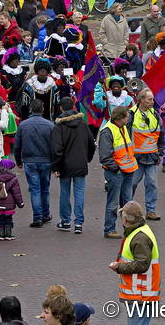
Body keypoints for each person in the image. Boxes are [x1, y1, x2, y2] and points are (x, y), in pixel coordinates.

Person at [108, 201, 159, 325]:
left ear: (126, 219)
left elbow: (142, 264)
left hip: (140, 293)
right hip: (141, 292)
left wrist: (119, 267)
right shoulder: (139, 231)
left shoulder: (139, 237)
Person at [52, 97, 95, 234]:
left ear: (61, 108)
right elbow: (91, 143)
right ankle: (78, 223)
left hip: (65, 164)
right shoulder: (82, 123)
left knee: (65, 193)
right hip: (80, 162)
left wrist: (55, 167)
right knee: (79, 192)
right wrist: (87, 158)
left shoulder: (59, 126)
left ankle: (65, 221)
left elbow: (57, 149)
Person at [14, 99, 54, 228]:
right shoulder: (50, 125)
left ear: (31, 109)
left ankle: (37, 217)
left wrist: (18, 160)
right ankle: (45, 214)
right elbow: (54, 145)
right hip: (46, 160)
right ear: (42, 109)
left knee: (35, 189)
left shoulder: (23, 125)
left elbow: (17, 145)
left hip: (30, 160)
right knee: (45, 189)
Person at [99, 106, 136, 239]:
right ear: (120, 118)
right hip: (116, 172)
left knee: (127, 202)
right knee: (113, 203)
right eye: (126, 117)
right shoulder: (107, 131)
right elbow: (104, 156)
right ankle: (109, 229)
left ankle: (129, 228)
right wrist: (116, 169)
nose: (128, 119)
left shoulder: (122, 127)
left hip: (127, 170)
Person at [127, 89, 163, 219]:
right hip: (136, 157)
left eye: (152, 99)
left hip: (152, 156)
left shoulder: (155, 114)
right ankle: (127, 209)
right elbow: (126, 133)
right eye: (149, 99)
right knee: (132, 184)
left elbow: (161, 133)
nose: (152, 102)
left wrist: (160, 152)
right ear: (141, 100)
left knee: (152, 184)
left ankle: (151, 211)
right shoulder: (131, 114)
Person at [0, 159, 24, 241]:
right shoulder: (13, 179)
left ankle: (1, 235)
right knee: (8, 220)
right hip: (8, 205)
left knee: (0, 219)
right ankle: (8, 234)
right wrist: (20, 203)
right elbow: (16, 193)